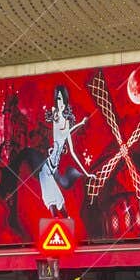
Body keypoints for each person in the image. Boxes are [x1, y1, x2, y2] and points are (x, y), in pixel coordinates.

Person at [38, 84, 91, 214]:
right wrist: (79, 124)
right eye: (58, 99)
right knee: (53, 203)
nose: (60, 103)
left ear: (66, 100)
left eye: (62, 99)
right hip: (46, 170)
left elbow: (72, 151)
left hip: (52, 170)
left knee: (61, 203)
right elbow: (63, 131)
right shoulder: (56, 116)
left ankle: (66, 226)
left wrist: (87, 173)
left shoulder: (66, 124)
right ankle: (57, 226)